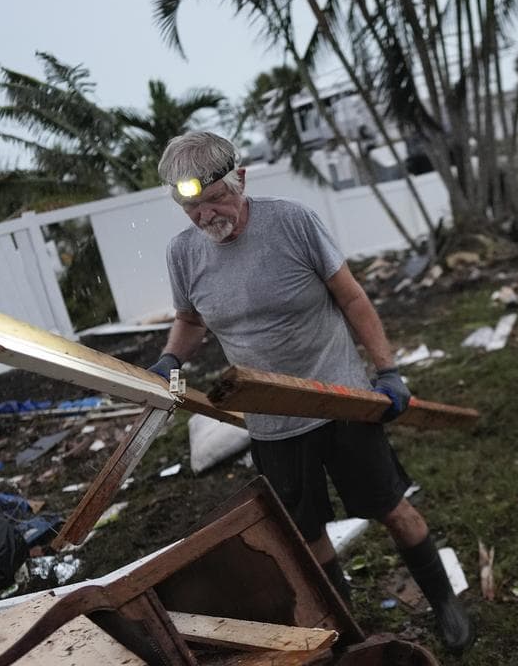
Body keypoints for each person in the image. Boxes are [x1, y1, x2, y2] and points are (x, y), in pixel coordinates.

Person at [145, 131, 474, 653]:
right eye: (192, 206)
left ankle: (444, 603)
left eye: (216, 199)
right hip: (271, 423)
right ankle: (350, 635)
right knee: (309, 531)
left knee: (390, 507)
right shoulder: (184, 254)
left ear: (242, 180)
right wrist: (170, 358)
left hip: (341, 402)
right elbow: (190, 322)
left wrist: (387, 371)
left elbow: (353, 298)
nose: (207, 215)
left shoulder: (291, 222)